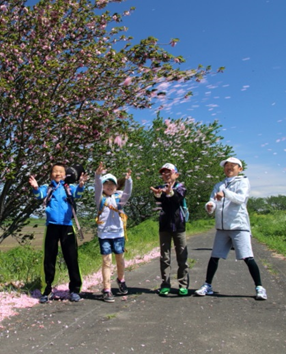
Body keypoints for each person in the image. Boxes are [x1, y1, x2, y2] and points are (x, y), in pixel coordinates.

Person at [195, 157, 267, 300]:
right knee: (214, 257)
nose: (229, 168)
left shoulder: (243, 182)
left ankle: (259, 287)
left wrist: (225, 193)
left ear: (239, 169)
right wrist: (210, 206)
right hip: (222, 227)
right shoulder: (219, 184)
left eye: (233, 166)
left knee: (247, 257)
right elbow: (213, 200)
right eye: (227, 166)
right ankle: (207, 285)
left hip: (238, 226)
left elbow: (240, 199)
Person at [29, 162, 88, 303]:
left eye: (61, 172)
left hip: (67, 226)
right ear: (51, 174)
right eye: (55, 171)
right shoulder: (47, 188)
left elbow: (78, 195)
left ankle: (74, 290)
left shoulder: (69, 188)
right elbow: (39, 195)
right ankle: (47, 289)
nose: (58, 174)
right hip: (52, 227)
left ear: (65, 174)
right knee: (49, 258)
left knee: (71, 258)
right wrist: (36, 188)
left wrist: (81, 185)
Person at [95, 162, 132, 303]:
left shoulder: (119, 198)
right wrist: (98, 176)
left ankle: (121, 280)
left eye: (112, 184)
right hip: (104, 234)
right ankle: (106, 289)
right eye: (106, 184)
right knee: (106, 261)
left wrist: (128, 181)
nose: (109, 186)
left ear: (116, 186)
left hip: (118, 234)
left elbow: (128, 194)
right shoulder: (100, 199)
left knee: (120, 259)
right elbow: (97, 188)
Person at [150, 163, 189, 296]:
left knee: (182, 255)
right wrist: (157, 195)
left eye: (169, 172)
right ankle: (165, 284)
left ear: (176, 174)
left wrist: (170, 192)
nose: (166, 175)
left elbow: (177, 199)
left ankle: (183, 284)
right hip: (164, 226)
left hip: (179, 226)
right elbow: (161, 201)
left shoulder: (181, 187)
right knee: (164, 257)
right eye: (163, 172)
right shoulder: (159, 188)